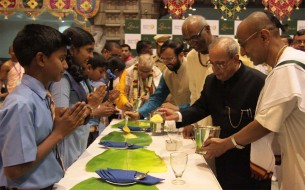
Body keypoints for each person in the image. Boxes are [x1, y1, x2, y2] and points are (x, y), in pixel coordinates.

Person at [202, 11, 305, 190]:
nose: (242, 52)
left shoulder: (287, 68)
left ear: (264, 36)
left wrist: (226, 144)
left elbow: (264, 124)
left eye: (243, 44)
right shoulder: (293, 60)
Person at [160, 37, 270, 190]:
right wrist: (179, 116)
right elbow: (201, 107)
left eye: (220, 64)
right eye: (212, 63)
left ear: (235, 59)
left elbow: (265, 124)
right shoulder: (212, 80)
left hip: (252, 158)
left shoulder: (259, 82)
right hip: (222, 153)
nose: (215, 69)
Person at [0, 24, 88, 189]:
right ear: (41, 59)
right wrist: (59, 133)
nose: (66, 66)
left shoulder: (42, 97)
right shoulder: (21, 103)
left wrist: (58, 122)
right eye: (61, 59)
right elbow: (14, 169)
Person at [50, 27, 107, 170]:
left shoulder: (74, 76)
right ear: (73, 50)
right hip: (67, 145)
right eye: (88, 50)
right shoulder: (62, 79)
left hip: (78, 140)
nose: (91, 56)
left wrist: (90, 105)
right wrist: (91, 106)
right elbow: (62, 118)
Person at [125, 40, 190, 119]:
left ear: (181, 55)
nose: (166, 63)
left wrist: (179, 108)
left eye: (170, 59)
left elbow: (200, 100)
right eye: (163, 59)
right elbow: (157, 98)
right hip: (180, 117)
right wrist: (139, 114)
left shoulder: (192, 68)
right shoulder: (167, 73)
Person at [182, 15, 213, 132]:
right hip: (202, 122)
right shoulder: (191, 57)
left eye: (195, 37)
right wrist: (191, 122)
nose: (191, 43)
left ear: (207, 30)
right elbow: (194, 94)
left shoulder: (233, 48)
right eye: (187, 40)